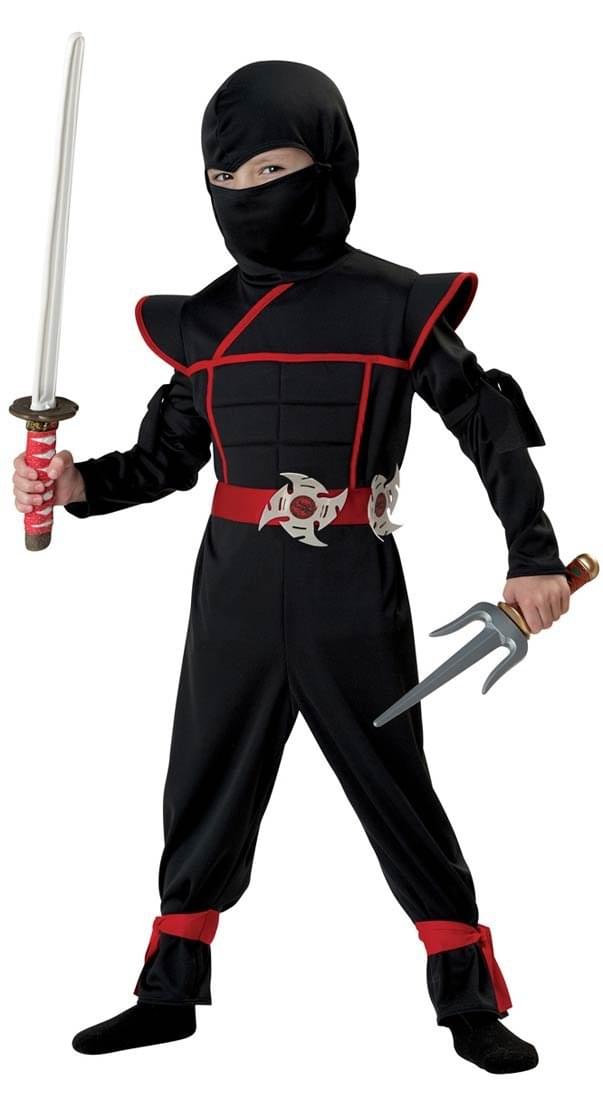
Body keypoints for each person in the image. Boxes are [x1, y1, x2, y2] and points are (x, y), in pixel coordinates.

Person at [13, 60, 570, 1071]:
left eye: (270, 167)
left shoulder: (395, 305)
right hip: (231, 581)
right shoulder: (206, 322)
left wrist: (531, 552)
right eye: (224, 178)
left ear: (329, 162)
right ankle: (167, 991)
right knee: (202, 779)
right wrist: (74, 483)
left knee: (394, 785)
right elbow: (163, 461)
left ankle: (466, 999)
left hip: (348, 585)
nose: (246, 192)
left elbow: (487, 426)